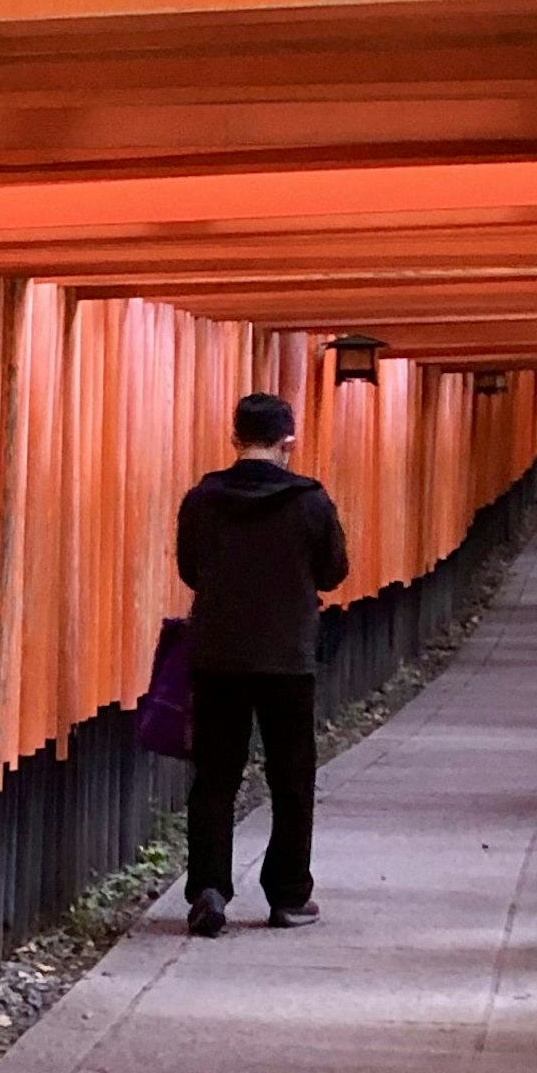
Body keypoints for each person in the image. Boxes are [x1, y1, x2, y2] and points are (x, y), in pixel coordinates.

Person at [174, 390, 351, 939]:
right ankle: (288, 895)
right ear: (288, 441)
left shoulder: (202, 499)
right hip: (287, 658)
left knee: (215, 777)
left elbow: (190, 569)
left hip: (218, 654)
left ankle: (208, 888)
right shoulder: (311, 502)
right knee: (291, 778)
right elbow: (332, 573)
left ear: (235, 438)